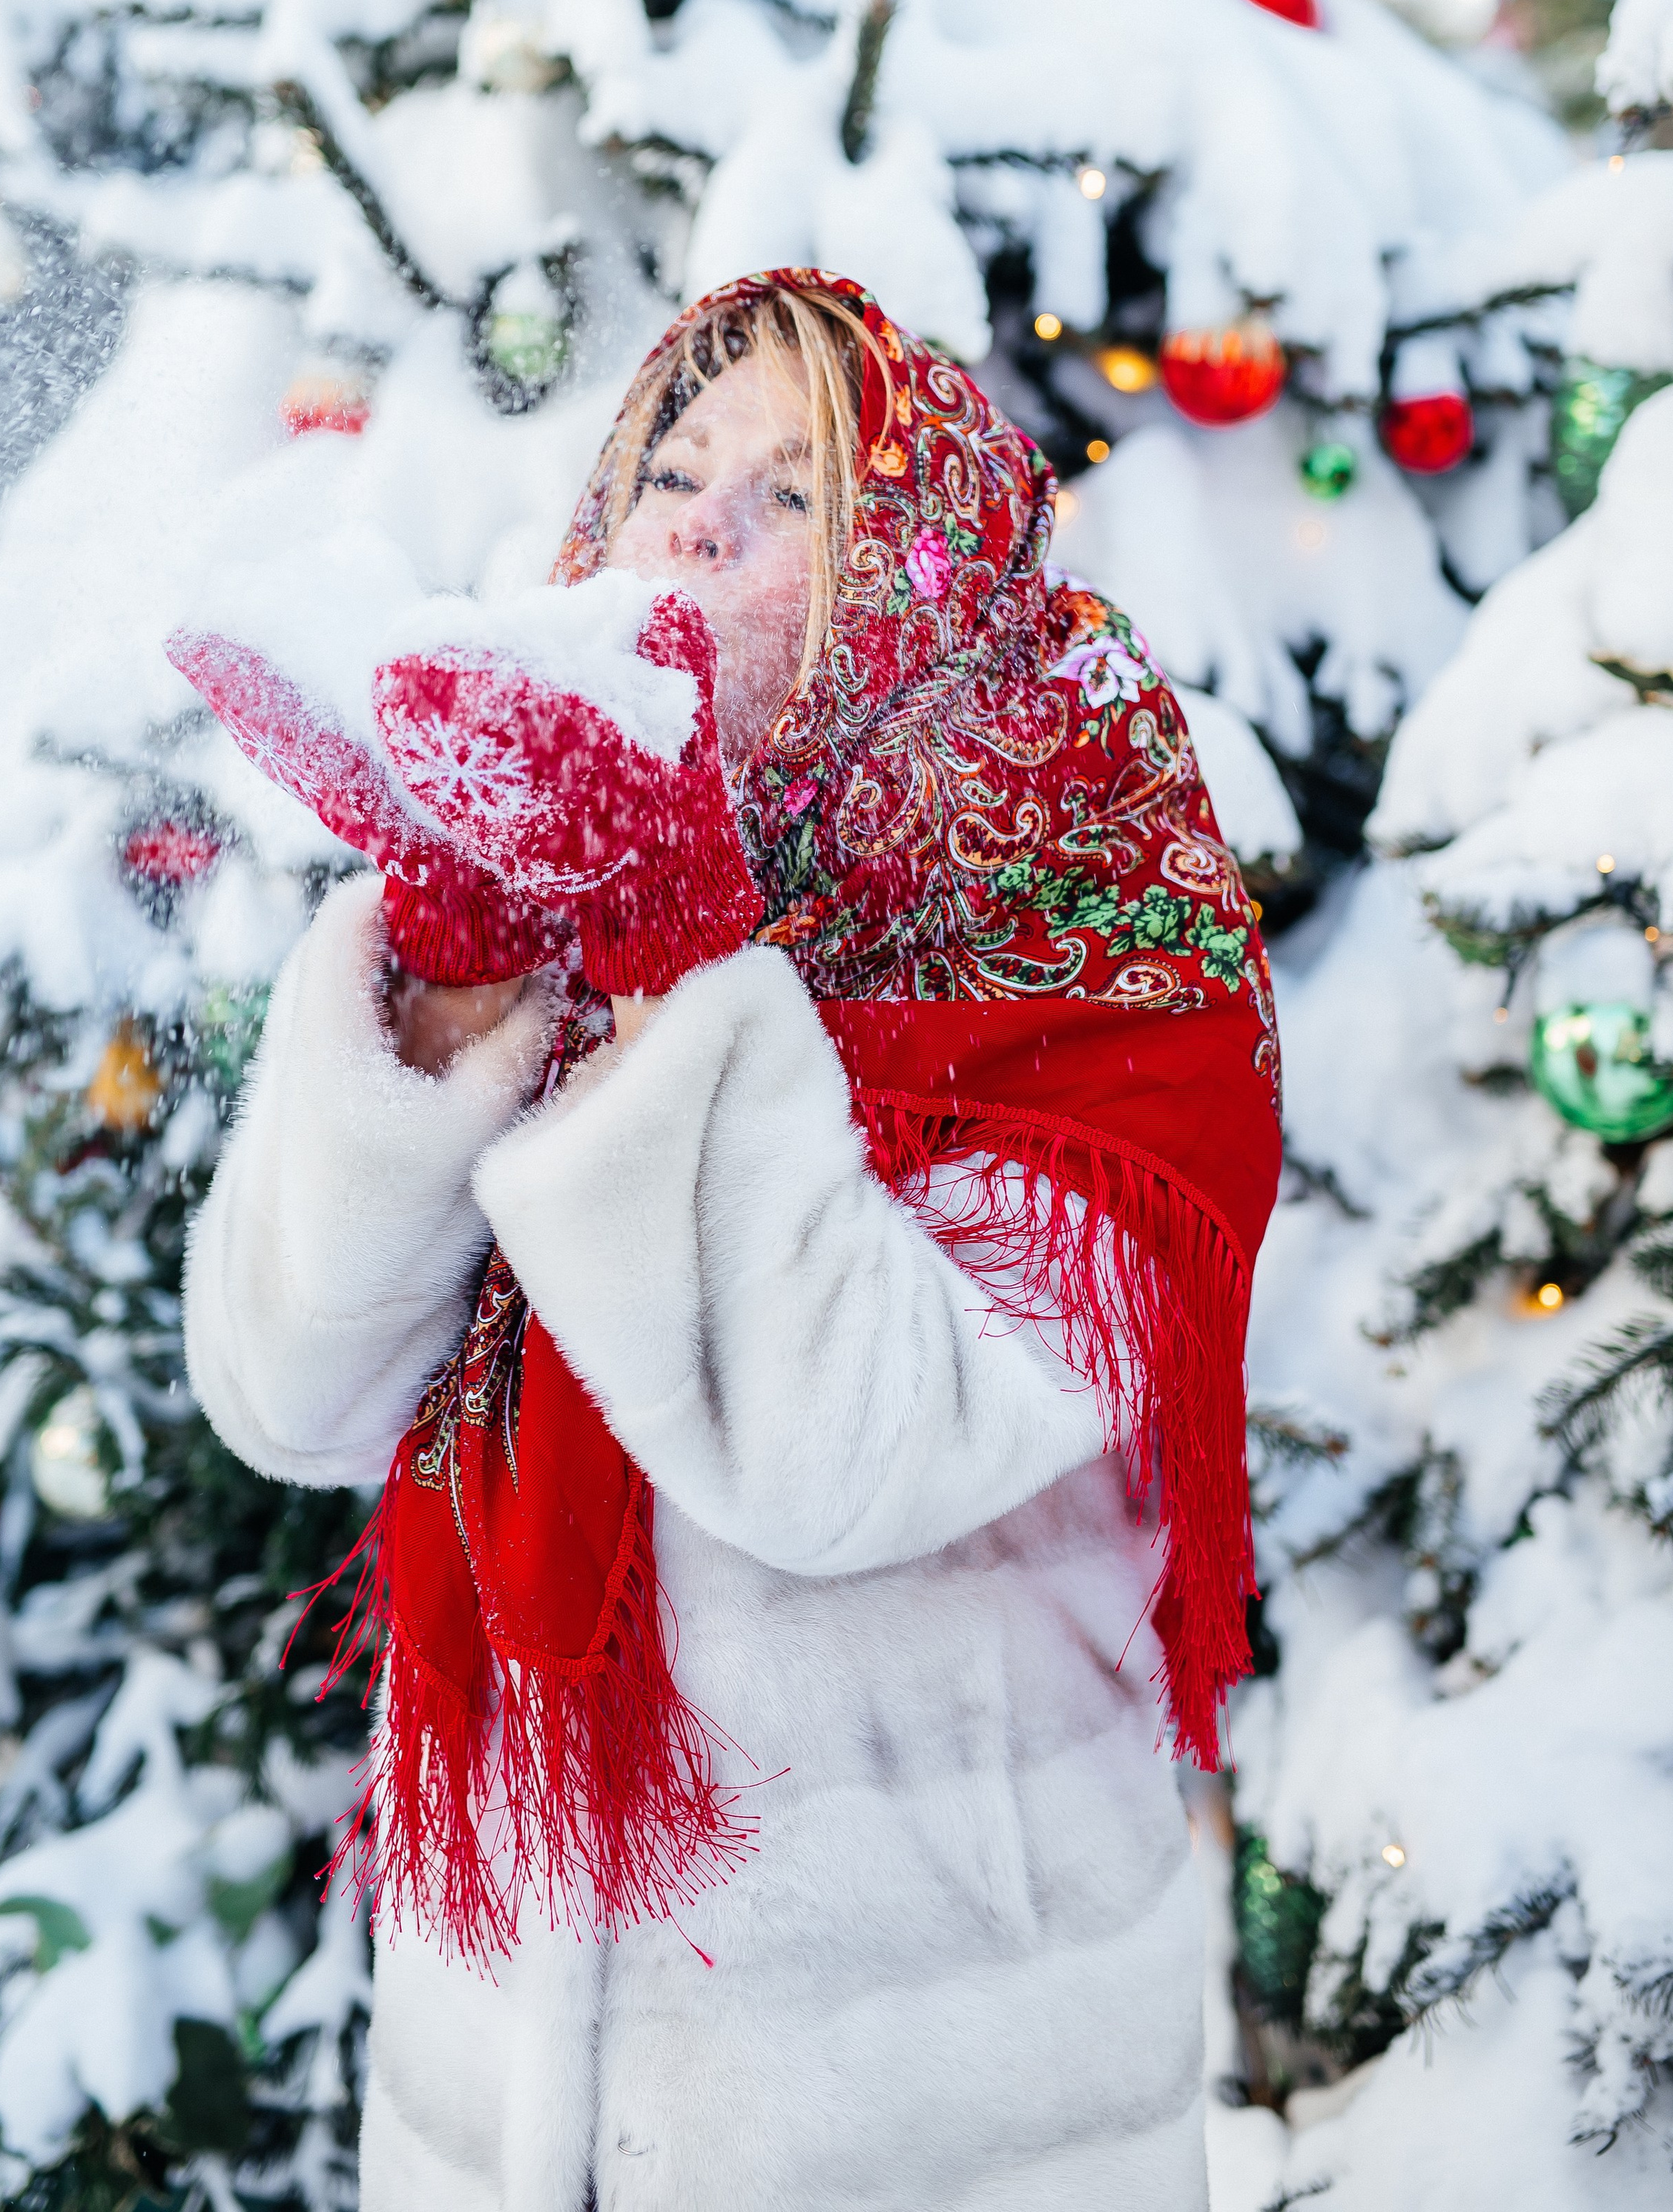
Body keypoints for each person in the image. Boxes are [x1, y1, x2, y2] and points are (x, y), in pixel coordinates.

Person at [180, 268, 1282, 2212]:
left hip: (924, 2116)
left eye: (797, 495)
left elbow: (847, 1459)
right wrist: (444, 974)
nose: (700, 522)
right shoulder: (552, 873)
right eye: (674, 468)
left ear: (927, 579)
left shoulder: (1090, 942)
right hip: (507, 2092)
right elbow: (284, 1393)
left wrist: (685, 963)